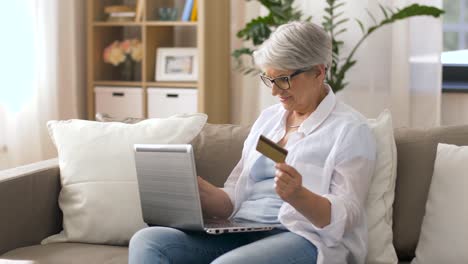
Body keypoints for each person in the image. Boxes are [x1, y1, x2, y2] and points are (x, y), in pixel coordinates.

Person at [129, 21, 376, 264]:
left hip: (302, 237)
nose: (275, 91)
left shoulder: (350, 130)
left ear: (318, 72)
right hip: (244, 228)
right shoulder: (269, 121)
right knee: (147, 241)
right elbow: (235, 196)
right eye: (269, 79)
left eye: (284, 79)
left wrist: (298, 195)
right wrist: (199, 191)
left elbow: (348, 215)